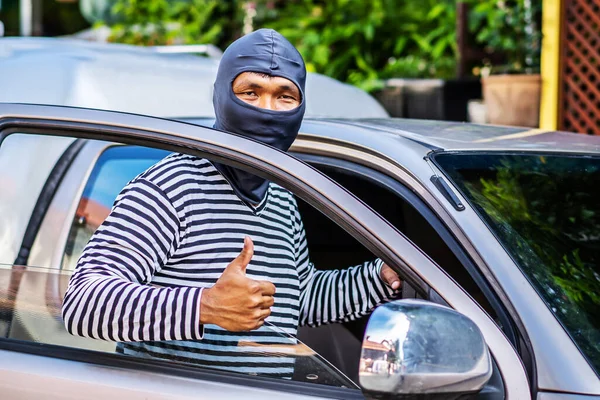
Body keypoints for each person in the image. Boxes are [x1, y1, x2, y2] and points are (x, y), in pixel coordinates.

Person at [61, 29, 401, 377]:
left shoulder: (282, 196)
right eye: (250, 92)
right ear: (222, 95)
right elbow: (83, 302)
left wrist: (380, 277)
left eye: (284, 96)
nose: (267, 111)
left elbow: (297, 300)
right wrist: (204, 306)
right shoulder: (170, 187)